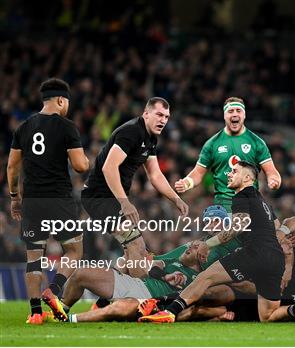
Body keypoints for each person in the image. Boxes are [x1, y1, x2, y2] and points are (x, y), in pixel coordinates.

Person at [139, 161, 286, 323]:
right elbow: (277, 227)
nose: (229, 174)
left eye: (234, 171)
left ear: (247, 178)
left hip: (256, 252)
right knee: (267, 316)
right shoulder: (263, 201)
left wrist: (207, 244)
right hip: (276, 257)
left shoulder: (242, 196)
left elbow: (238, 226)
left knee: (205, 277)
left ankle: (169, 312)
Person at [7, 78, 89, 324]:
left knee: (33, 257)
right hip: (60, 199)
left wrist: (14, 197)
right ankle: (53, 292)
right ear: (62, 100)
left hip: (32, 200)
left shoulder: (24, 128)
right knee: (74, 250)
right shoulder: (66, 127)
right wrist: (86, 162)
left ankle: (34, 313)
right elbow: (79, 165)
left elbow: (12, 166)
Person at [81, 97, 189, 280]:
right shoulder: (131, 132)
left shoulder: (151, 139)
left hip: (112, 198)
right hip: (98, 197)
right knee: (136, 244)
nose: (163, 120)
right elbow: (109, 167)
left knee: (133, 253)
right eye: (159, 115)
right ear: (146, 114)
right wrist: (125, 203)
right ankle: (143, 301)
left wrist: (176, 198)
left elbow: (154, 175)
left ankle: (101, 302)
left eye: (167, 117)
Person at [174, 97, 281, 212]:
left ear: (244, 115)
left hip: (250, 202)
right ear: (224, 116)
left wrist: (274, 180)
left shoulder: (257, 142)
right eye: (230, 111)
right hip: (224, 205)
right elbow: (198, 173)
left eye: (238, 111)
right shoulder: (212, 144)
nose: (235, 114)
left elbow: (271, 171)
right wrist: (186, 183)